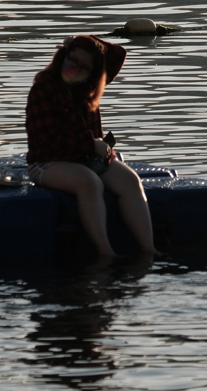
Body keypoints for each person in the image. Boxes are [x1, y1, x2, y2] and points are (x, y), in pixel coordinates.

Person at [26, 35, 155, 258]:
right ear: (63, 56)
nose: (75, 69)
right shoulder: (43, 87)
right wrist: (90, 144)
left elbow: (117, 54)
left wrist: (85, 41)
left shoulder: (89, 85)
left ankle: (148, 250)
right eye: (72, 61)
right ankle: (106, 253)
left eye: (84, 67)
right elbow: (47, 139)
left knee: (130, 181)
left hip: (87, 156)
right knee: (89, 183)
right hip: (47, 162)